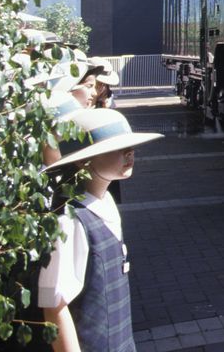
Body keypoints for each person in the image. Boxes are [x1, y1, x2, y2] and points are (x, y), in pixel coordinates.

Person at [38, 108, 162, 352]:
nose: (130, 154)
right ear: (84, 160)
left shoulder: (104, 202)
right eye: (116, 148)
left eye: (131, 147)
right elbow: (54, 307)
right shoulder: (70, 220)